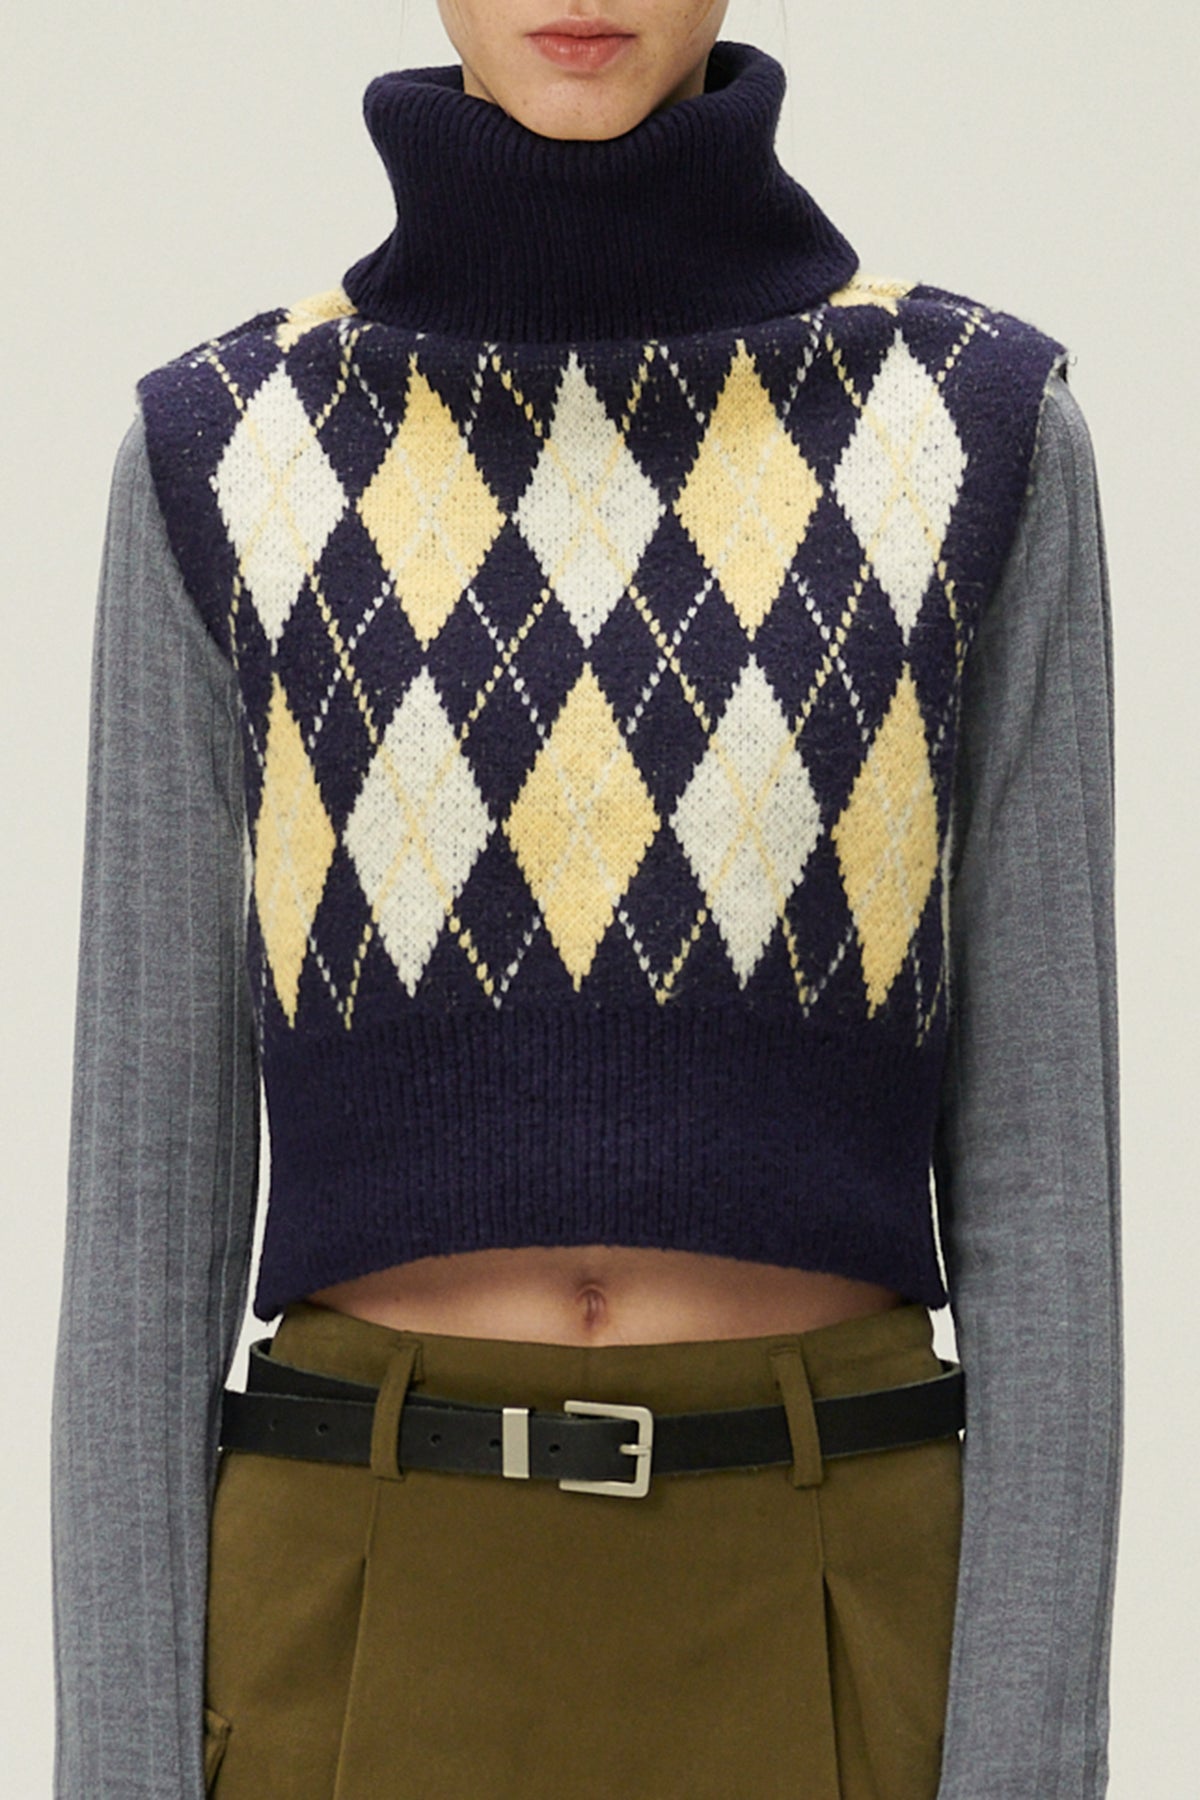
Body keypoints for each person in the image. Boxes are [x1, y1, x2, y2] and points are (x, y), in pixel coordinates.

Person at [50, 3, 1123, 1796]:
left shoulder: (975, 433)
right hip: (352, 1620)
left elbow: (1048, 1202)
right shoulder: (229, 452)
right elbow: (144, 1227)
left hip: (835, 1612)